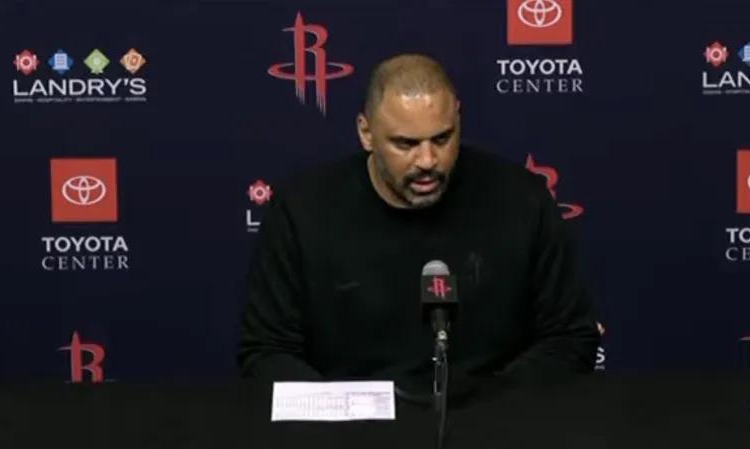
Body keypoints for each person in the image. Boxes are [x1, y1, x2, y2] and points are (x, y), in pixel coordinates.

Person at [238, 54, 599, 402]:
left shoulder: (522, 199)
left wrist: (491, 407)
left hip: (492, 419)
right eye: (405, 144)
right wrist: (341, 414)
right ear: (366, 133)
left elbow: (569, 337)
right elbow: (266, 351)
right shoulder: (301, 211)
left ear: (458, 120)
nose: (427, 160)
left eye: (442, 139)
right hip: (351, 426)